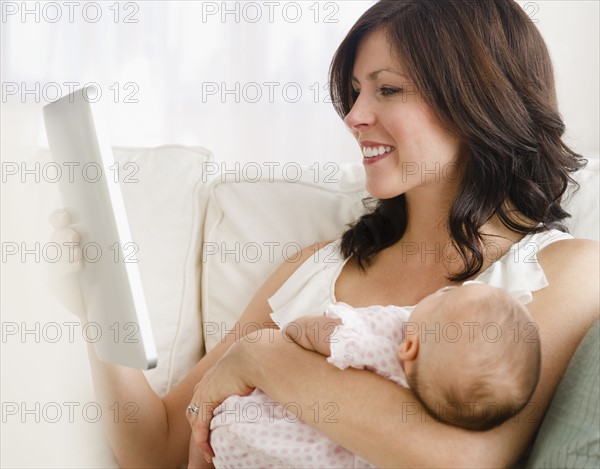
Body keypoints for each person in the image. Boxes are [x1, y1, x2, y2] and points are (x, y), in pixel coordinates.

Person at [50, 0, 598, 467]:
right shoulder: (314, 269)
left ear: (477, 102)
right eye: (356, 91)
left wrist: (263, 359)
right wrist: (102, 308)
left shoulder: (565, 272)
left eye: (387, 90)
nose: (355, 115)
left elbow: (464, 458)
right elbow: (160, 445)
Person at [195, 282, 541, 468]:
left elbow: (319, 334)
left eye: (447, 296)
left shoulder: (389, 331)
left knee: (207, 420)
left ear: (409, 349)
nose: (447, 289)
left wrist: (285, 339)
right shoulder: (443, 396)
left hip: (243, 432)